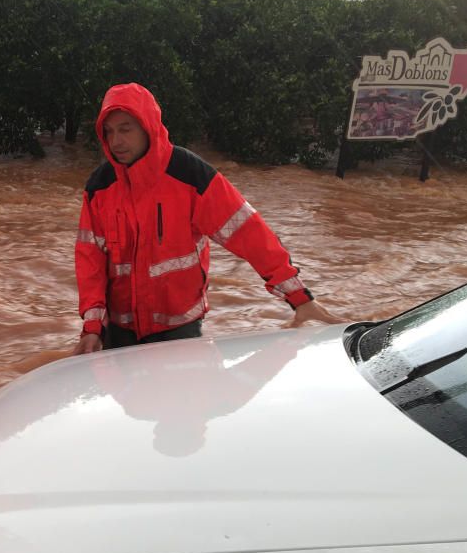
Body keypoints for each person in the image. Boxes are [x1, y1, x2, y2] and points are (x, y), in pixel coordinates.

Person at [73, 83, 340, 354]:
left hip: (180, 331)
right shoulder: (100, 186)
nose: (115, 141)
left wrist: (298, 297)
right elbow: (90, 260)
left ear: (147, 126)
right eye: (109, 132)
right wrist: (93, 328)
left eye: (125, 129)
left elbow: (249, 233)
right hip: (120, 333)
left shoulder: (189, 174)